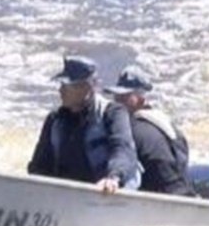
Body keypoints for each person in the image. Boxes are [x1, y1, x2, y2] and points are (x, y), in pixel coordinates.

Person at [27, 56, 139, 194]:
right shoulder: (54, 120)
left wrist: (113, 178)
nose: (60, 91)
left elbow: (123, 150)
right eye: (61, 85)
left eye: (67, 86)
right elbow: (39, 166)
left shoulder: (113, 113)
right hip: (64, 197)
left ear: (87, 87)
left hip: (103, 194)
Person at [103, 66, 194, 196]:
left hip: (162, 201)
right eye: (116, 96)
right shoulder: (163, 122)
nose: (117, 102)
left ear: (140, 99)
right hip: (183, 194)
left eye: (124, 97)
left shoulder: (134, 129)